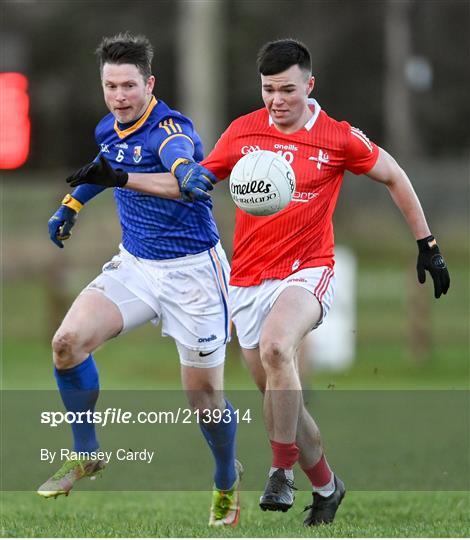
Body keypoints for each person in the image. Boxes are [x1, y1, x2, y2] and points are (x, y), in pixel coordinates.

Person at [68, 38, 450, 526]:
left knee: (276, 350)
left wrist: (428, 244)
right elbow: (192, 183)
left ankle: (280, 470)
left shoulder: (335, 136)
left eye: (288, 90)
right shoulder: (243, 132)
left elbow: (394, 174)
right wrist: (121, 179)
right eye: (269, 90)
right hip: (247, 279)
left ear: (309, 86)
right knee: (277, 394)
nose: (277, 100)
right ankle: (328, 486)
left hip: (309, 269)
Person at [39, 32, 243, 528]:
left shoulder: (171, 129)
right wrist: (71, 204)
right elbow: (105, 167)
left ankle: (225, 478)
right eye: (110, 86)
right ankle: (86, 454)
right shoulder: (108, 128)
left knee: (204, 401)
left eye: (129, 85)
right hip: (136, 266)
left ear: (149, 83)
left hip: (194, 274)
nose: (119, 96)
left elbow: (184, 178)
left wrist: (161, 173)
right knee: (66, 343)